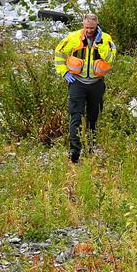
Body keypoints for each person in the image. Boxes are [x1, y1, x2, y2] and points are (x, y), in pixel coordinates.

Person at [54, 14, 117, 163]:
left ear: (97, 25)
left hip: (96, 84)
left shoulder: (106, 39)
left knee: (93, 117)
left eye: (92, 28)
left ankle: (90, 149)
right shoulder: (73, 38)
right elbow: (59, 53)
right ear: (83, 24)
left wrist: (100, 43)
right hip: (77, 82)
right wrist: (64, 72)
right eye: (86, 27)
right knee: (75, 116)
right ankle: (74, 152)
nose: (89, 30)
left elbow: (110, 59)